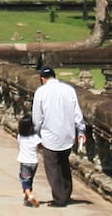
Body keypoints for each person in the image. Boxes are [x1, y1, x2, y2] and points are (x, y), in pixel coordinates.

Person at [31, 66, 86, 207]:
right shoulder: (69, 90)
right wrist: (81, 131)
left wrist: (36, 135)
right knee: (64, 164)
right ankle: (66, 193)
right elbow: (77, 114)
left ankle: (59, 198)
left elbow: (37, 118)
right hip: (68, 134)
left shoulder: (41, 92)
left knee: (53, 167)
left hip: (50, 135)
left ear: (42, 79)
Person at [16, 114, 42, 208]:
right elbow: (40, 146)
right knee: (30, 180)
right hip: (34, 162)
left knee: (24, 181)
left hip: (24, 161)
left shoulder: (20, 137)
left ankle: (30, 196)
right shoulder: (35, 137)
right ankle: (26, 199)